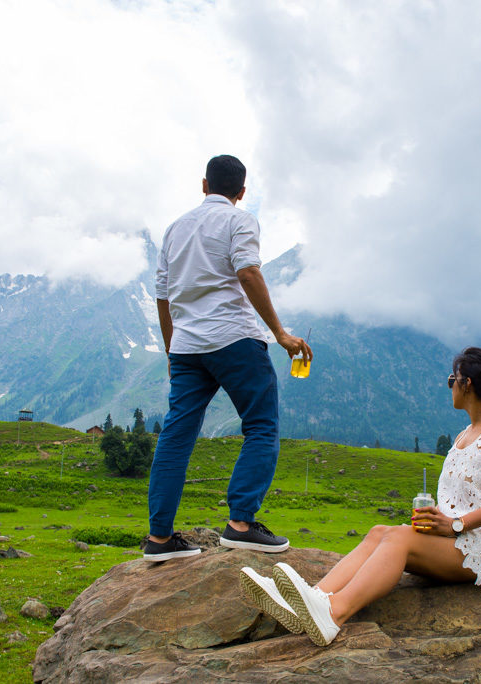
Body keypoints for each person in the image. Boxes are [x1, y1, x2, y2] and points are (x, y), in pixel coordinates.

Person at [240, 347, 481, 645]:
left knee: (398, 538)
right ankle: (312, 599)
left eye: (451, 379)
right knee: (381, 531)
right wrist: (439, 520)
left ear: (466, 383)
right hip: (462, 538)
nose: (449, 387)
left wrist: (456, 524)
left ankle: (333, 614)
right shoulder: (464, 434)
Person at [143, 155, 313, 562]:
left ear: (204, 185)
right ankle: (240, 525)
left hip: (186, 348)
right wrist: (280, 334)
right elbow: (248, 273)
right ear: (241, 192)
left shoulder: (174, 229)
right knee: (260, 424)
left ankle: (160, 540)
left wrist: (172, 351)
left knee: (175, 437)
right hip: (233, 339)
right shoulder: (241, 220)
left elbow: (163, 296)